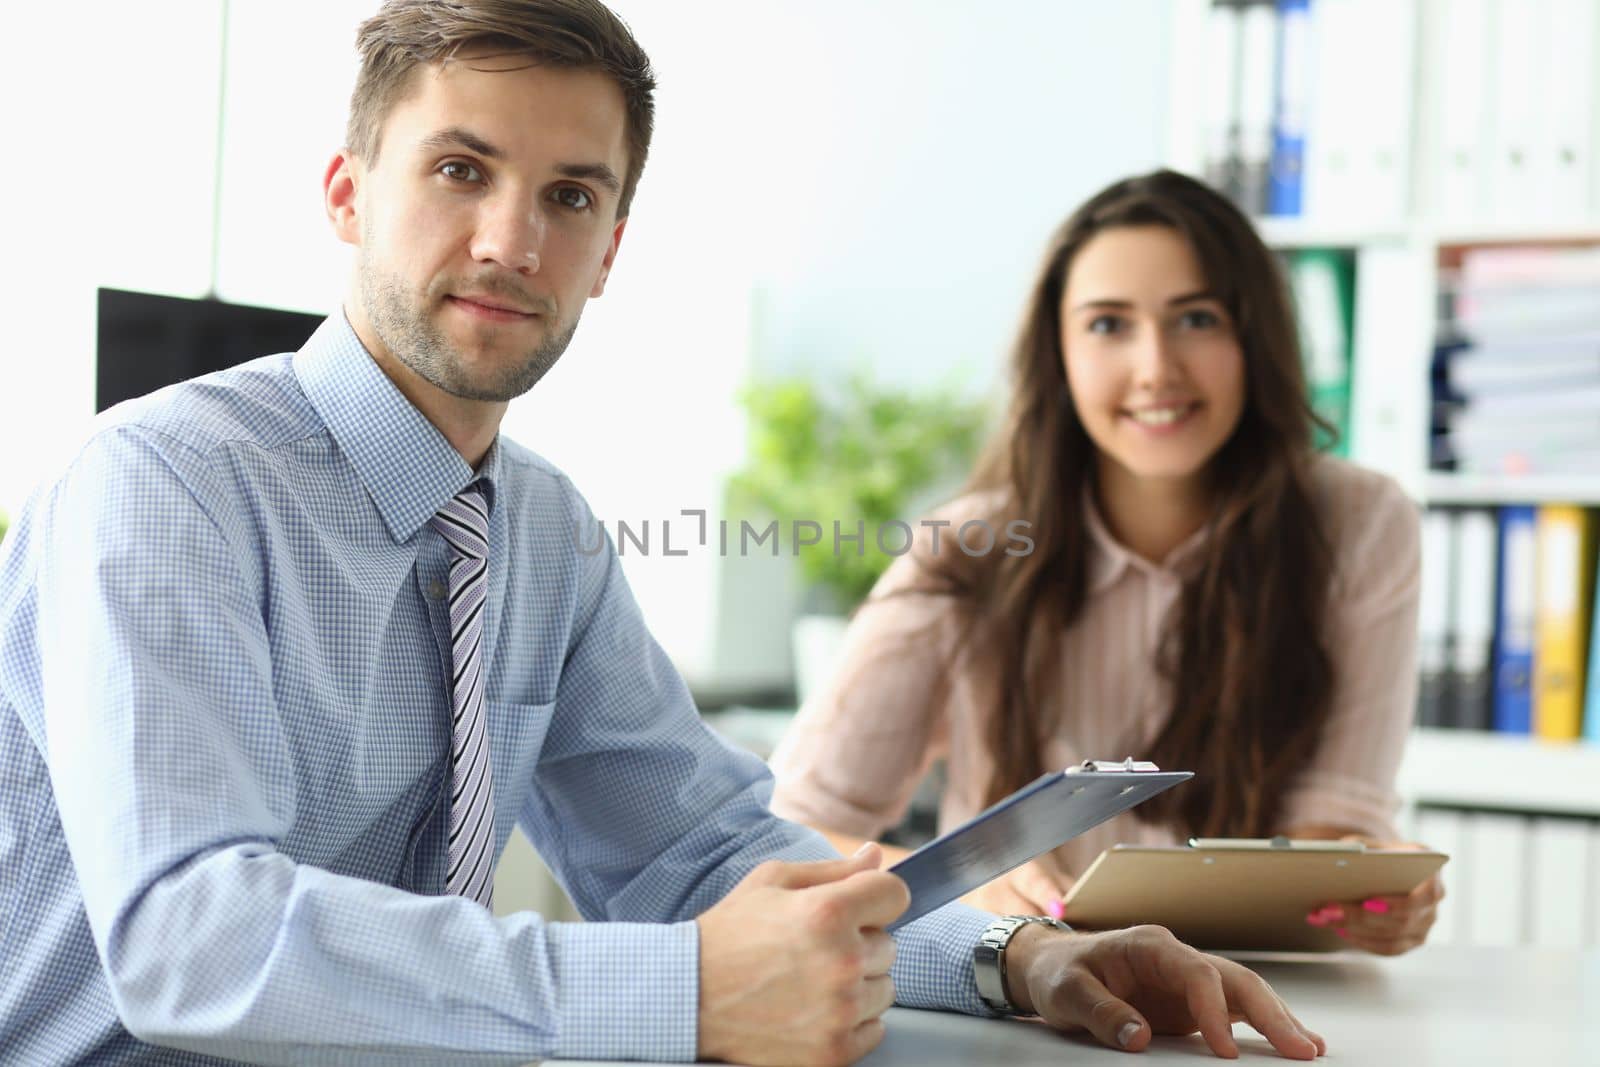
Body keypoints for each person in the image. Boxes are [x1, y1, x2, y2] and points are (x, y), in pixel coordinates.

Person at [0, 7, 1327, 1064]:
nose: (514, 239)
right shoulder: (162, 482)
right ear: (348, 192)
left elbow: (691, 849)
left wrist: (1008, 959)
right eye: (462, 169)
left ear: (612, 248)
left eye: (571, 197)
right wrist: (684, 990)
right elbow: (191, 941)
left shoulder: (545, 532)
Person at [770, 169, 1444, 959]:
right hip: (1020, 992)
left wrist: (1364, 885)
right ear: (1057, 352)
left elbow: (1336, 816)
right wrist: (964, 888)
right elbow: (789, 828)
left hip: (1258, 1001)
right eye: (1108, 325)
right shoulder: (966, 549)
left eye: (1196, 318)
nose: (1156, 367)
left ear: (1255, 338)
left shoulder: (1361, 525)